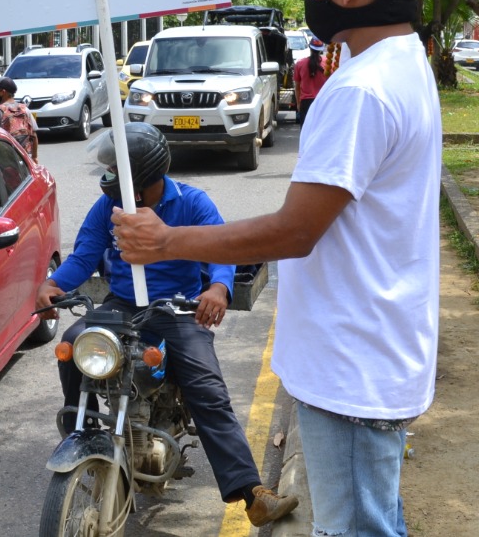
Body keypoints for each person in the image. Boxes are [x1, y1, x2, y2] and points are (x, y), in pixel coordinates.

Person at [113, 0, 439, 537]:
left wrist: (167, 240)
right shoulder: (404, 63)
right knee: (375, 518)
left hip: (352, 361)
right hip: (374, 344)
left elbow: (296, 230)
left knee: (354, 528)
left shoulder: (361, 91)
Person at [34, 123, 299, 527]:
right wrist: (53, 284)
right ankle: (82, 435)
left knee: (207, 389)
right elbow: (85, 255)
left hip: (178, 309)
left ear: (140, 181)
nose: (106, 177)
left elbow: (222, 251)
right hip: (123, 304)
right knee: (74, 344)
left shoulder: (193, 203)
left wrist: (218, 290)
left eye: (114, 170)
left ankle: (252, 493)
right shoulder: (109, 207)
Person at [0, 76, 38, 160]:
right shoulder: (25, 109)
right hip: (25, 158)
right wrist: (34, 157)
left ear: (3, 92)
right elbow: (34, 135)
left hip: (5, 159)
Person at [292, 37, 328, 125]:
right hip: (323, 101)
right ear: (321, 50)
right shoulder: (328, 62)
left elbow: (297, 87)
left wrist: (298, 104)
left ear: (310, 47)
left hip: (306, 103)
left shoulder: (300, 64)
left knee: (306, 132)